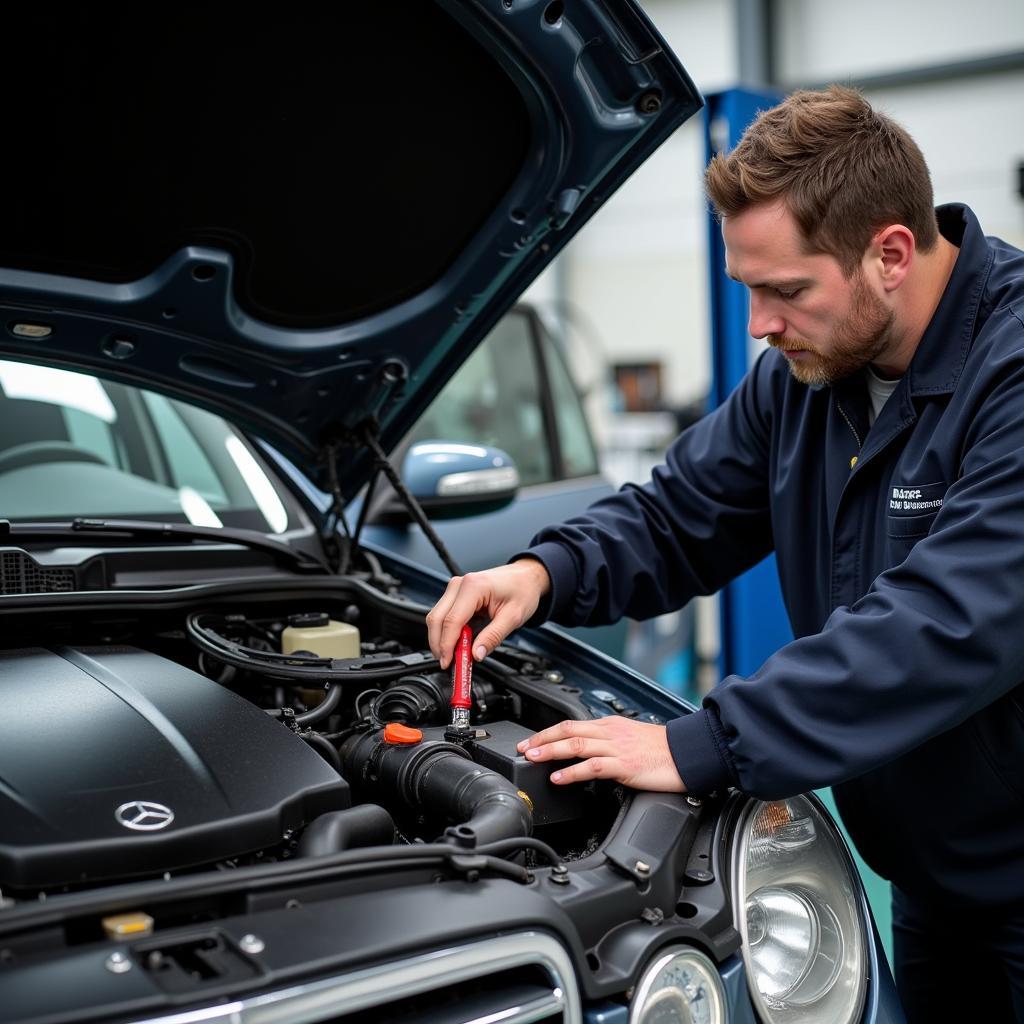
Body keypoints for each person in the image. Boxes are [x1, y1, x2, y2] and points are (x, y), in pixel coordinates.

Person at [426, 85, 1024, 1020]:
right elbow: (677, 515)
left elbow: (955, 618)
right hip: (933, 870)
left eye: (786, 291)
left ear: (891, 255)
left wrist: (702, 744)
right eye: (750, 288)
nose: (760, 324)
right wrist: (544, 572)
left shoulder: (1012, 369)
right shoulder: (807, 376)